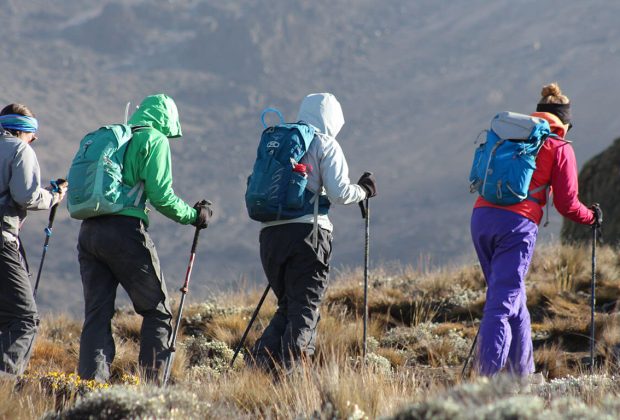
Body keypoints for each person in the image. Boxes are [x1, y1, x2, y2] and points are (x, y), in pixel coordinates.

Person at [77, 94, 211, 383]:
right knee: (157, 310)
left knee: (97, 314)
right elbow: (161, 196)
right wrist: (194, 216)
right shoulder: (153, 140)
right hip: (124, 232)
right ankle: (152, 388)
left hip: (89, 231)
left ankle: (89, 388)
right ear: (167, 121)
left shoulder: (118, 139)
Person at [470, 83, 600, 377]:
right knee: (502, 302)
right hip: (516, 226)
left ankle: (523, 374)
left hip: (481, 216)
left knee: (513, 296)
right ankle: (486, 383)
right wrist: (592, 218)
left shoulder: (509, 135)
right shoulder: (559, 146)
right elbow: (567, 204)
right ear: (564, 124)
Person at [251, 92, 377, 371]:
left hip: (269, 235)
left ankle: (258, 370)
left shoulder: (282, 143)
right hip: (308, 235)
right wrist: (364, 190)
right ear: (333, 118)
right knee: (305, 308)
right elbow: (340, 192)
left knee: (288, 306)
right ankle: (294, 378)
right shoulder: (324, 143)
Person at [0, 103, 68, 376]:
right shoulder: (19, 150)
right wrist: (53, 197)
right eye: (32, 132)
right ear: (23, 131)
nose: (35, 138)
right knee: (24, 318)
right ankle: (4, 388)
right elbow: (25, 196)